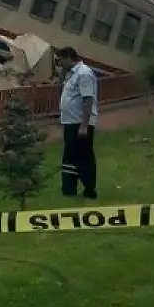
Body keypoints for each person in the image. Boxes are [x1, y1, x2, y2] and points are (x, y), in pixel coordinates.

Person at [56, 46, 99, 199]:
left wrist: (84, 126)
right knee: (69, 156)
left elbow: (88, 100)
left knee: (84, 156)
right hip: (70, 121)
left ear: (68, 57)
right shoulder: (70, 74)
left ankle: (89, 189)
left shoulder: (84, 73)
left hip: (80, 122)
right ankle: (69, 188)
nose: (59, 64)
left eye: (60, 60)